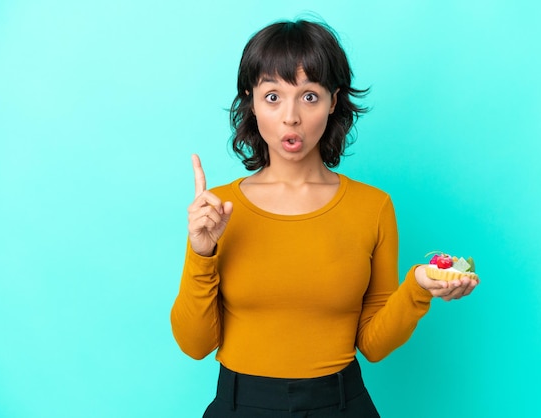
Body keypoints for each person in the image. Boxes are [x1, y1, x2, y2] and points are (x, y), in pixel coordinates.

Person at [171, 19, 478, 417]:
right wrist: (202, 252)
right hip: (241, 405)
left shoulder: (373, 207)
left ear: (334, 100)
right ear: (251, 100)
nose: (291, 117)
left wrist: (417, 287)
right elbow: (195, 345)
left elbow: (373, 344)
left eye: (310, 97)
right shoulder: (218, 210)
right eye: (273, 96)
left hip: (340, 404)